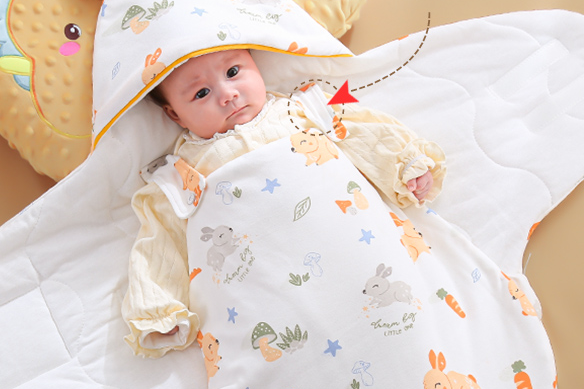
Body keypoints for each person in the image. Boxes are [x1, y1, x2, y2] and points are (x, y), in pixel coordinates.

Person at [122, 47, 443, 356]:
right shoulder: (181, 175)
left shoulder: (303, 111)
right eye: (201, 93)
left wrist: (403, 166)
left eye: (233, 72)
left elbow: (360, 132)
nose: (227, 95)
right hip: (269, 287)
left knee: (398, 307)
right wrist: (158, 308)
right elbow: (159, 243)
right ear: (174, 114)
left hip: (351, 248)